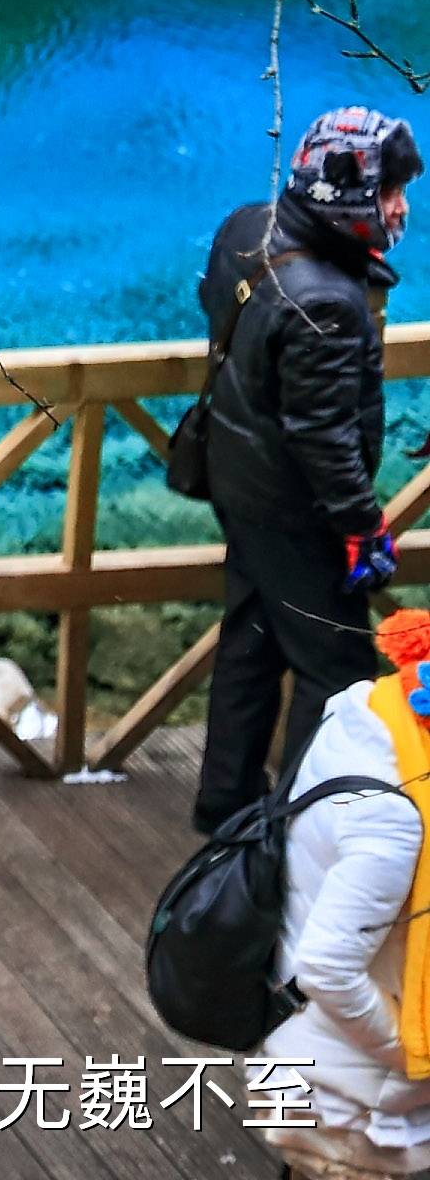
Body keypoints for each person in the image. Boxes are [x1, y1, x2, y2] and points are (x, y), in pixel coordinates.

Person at [194, 106, 424, 830]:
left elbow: (217, 307)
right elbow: (323, 437)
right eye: (390, 190)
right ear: (347, 193)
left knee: (253, 645)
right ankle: (295, 833)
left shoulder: (245, 228)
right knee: (337, 673)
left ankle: (226, 807)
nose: (402, 208)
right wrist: (364, 527)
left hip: (234, 474)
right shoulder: (328, 302)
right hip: (296, 509)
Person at [259, 604, 430, 1176]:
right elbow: (329, 967)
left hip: (310, 1050)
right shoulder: (395, 816)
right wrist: (409, 1048)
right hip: (358, 1098)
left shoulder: (370, 711)